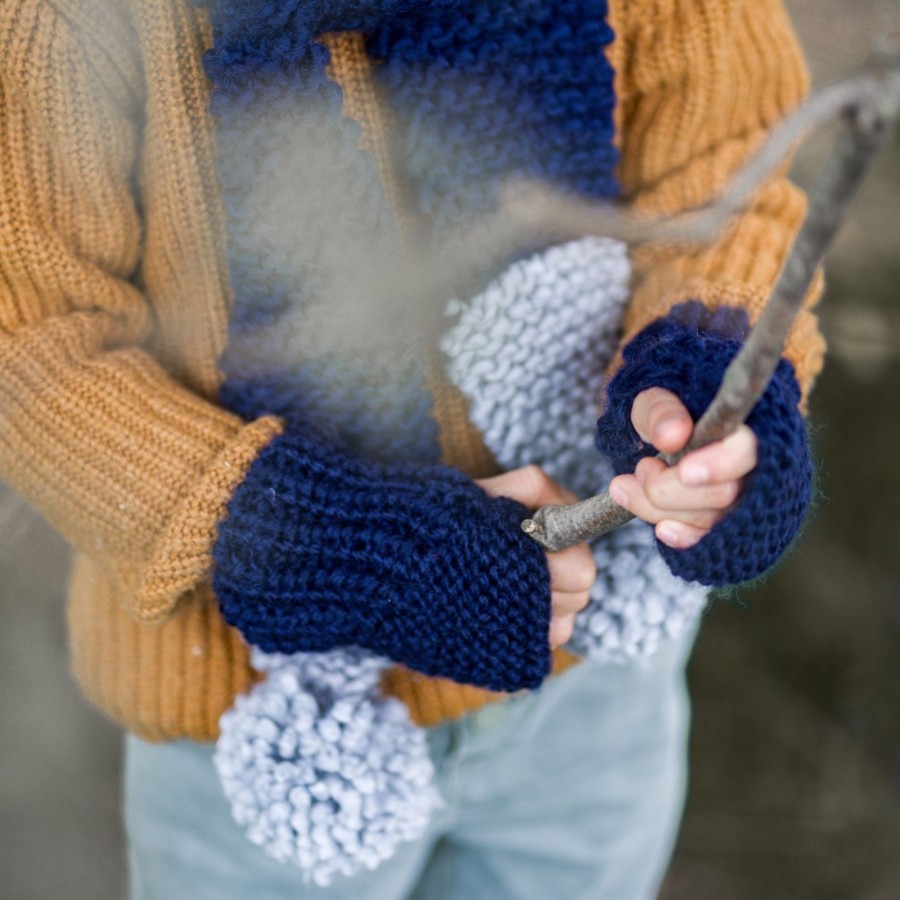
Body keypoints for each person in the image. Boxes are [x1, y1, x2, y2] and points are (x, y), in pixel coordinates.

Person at [0, 0, 824, 897]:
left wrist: (714, 372)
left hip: (591, 678)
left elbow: (721, 164)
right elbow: (35, 339)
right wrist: (325, 547)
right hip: (263, 726)